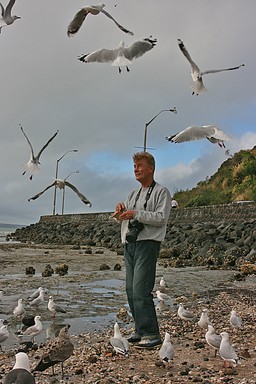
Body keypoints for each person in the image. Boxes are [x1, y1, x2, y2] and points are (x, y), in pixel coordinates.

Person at [114, 152, 171, 348]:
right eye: (135, 166)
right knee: (130, 290)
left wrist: (136, 214)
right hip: (130, 244)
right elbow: (124, 218)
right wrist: (120, 213)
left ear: (151, 169)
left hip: (148, 243)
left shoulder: (162, 192)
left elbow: (162, 218)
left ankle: (151, 333)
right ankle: (139, 329)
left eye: (140, 166)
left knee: (141, 289)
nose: (136, 169)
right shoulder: (132, 194)